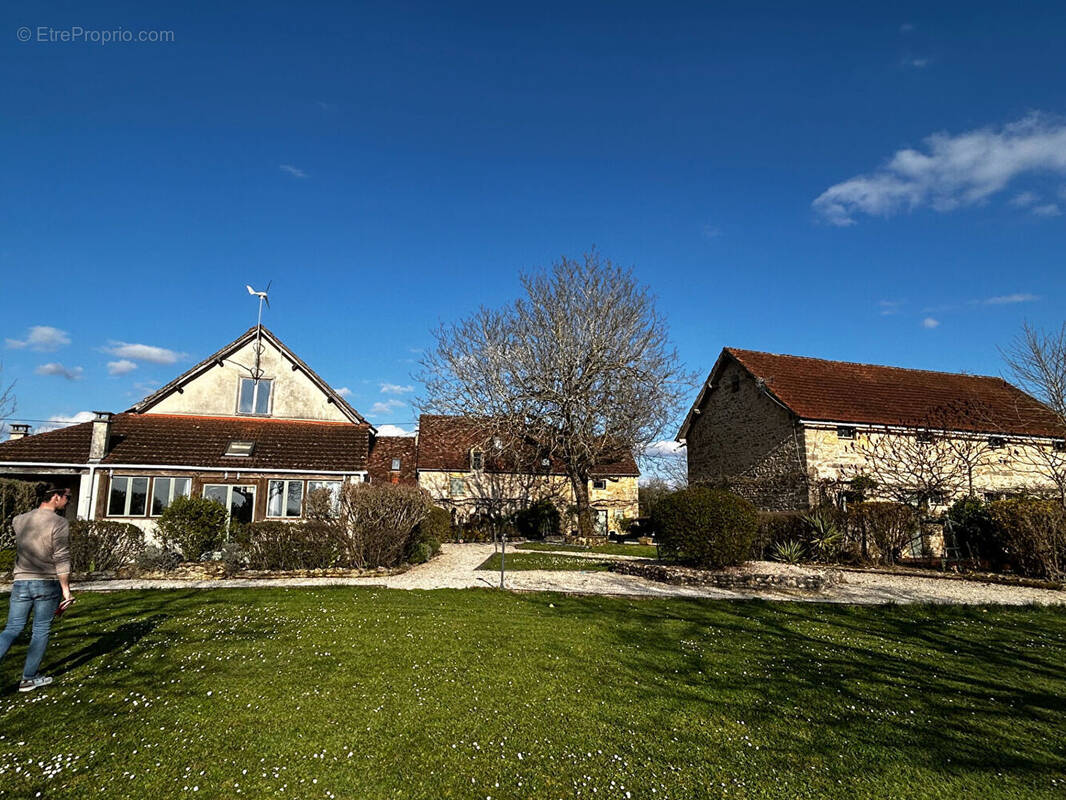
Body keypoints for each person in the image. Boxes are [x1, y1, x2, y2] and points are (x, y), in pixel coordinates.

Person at [0, 482, 73, 692]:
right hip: (47, 582)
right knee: (40, 630)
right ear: (55, 497)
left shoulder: (19, 520)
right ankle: (29, 677)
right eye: (66, 496)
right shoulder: (59, 523)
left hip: (21, 581)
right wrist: (66, 589)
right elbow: (61, 558)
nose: (67, 500)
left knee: (12, 629)